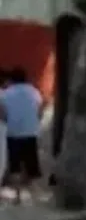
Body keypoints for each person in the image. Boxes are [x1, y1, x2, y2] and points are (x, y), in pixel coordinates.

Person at [0, 67, 43, 204]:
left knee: (15, 166)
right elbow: (40, 111)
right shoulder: (34, 92)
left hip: (13, 133)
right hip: (31, 132)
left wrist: (10, 122)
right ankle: (35, 196)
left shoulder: (6, 94)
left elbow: (3, 114)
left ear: (12, 79)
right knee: (32, 166)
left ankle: (17, 196)